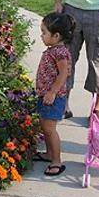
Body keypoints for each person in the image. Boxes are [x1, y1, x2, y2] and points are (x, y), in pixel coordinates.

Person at [32, 12, 75, 177]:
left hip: (53, 98)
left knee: (50, 129)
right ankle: (49, 154)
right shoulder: (53, 49)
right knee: (45, 126)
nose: (41, 35)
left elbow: (64, 74)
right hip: (46, 96)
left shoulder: (60, 52)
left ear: (56, 36)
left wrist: (52, 92)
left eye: (44, 32)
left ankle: (56, 160)